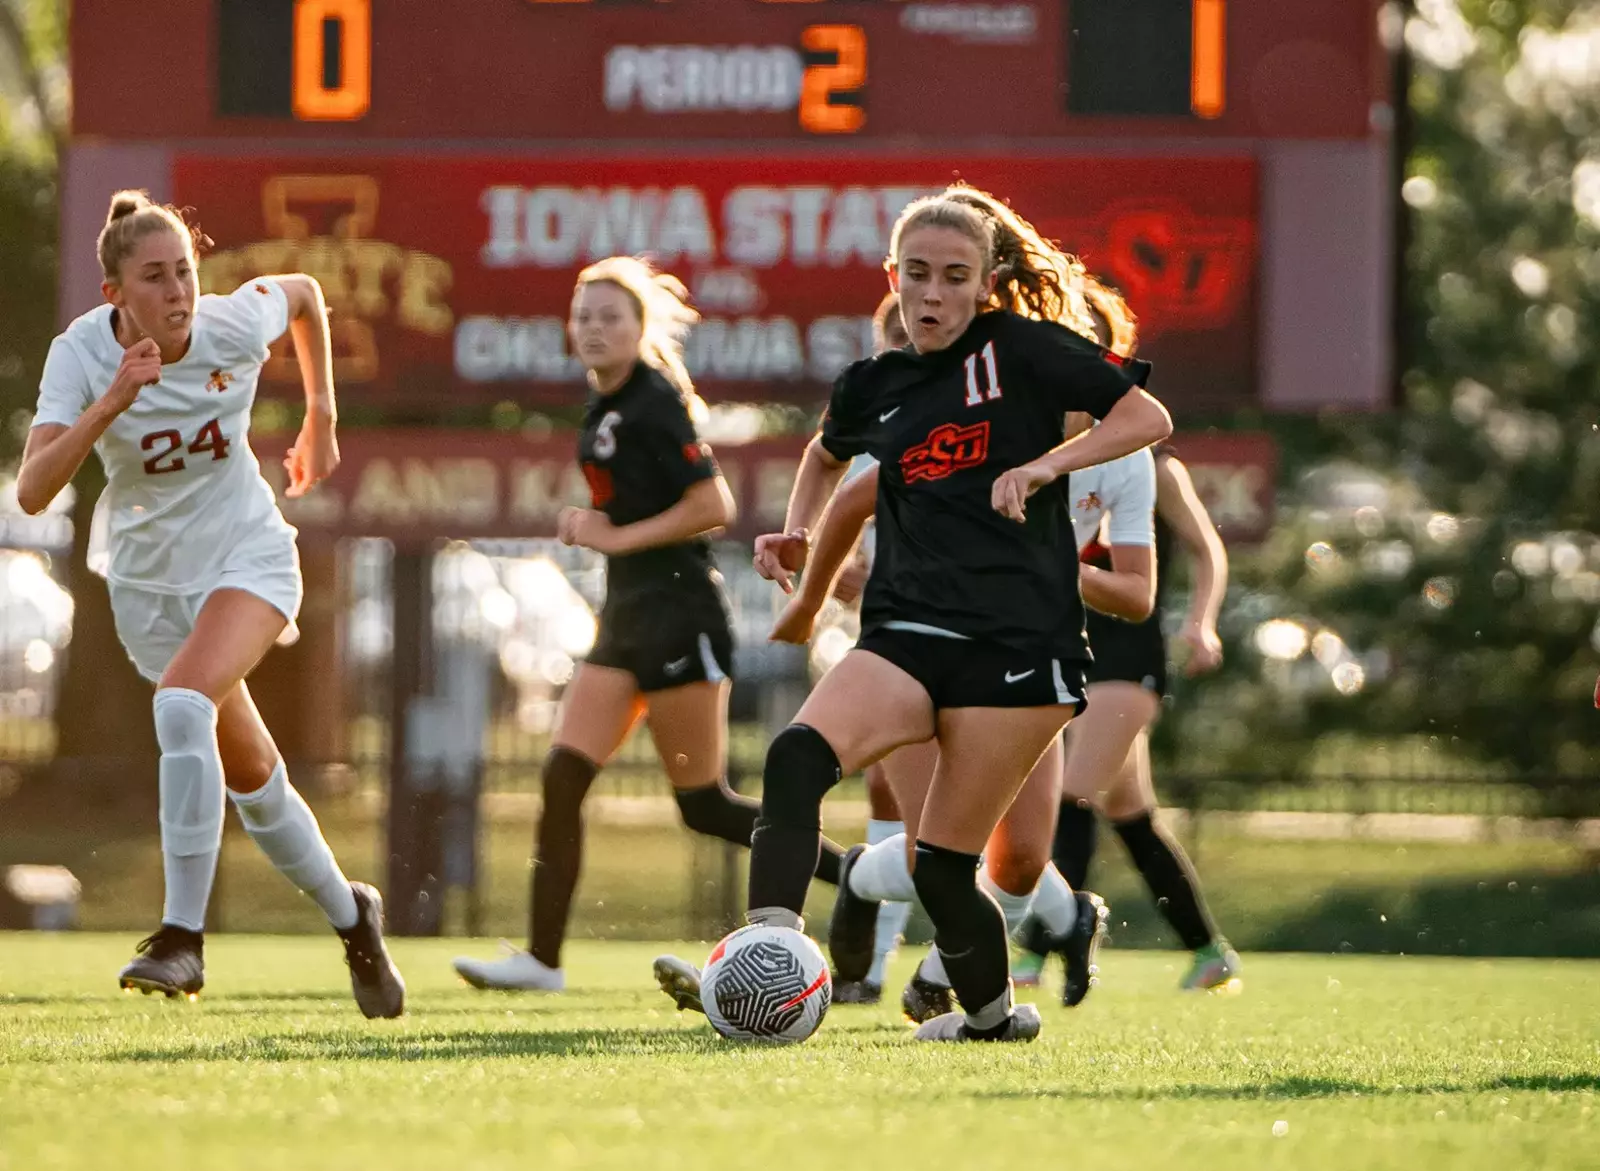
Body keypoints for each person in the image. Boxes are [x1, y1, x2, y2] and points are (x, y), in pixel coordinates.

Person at [654, 183, 1172, 1043]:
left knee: (943, 871)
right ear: (893, 275)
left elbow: (1146, 414)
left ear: (987, 284)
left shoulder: (1029, 351)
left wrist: (1046, 468)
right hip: (906, 636)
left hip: (1019, 649)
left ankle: (994, 1019)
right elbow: (826, 460)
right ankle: (767, 953)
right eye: (918, 274)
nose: (932, 294)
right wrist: (794, 530)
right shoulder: (875, 382)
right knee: (794, 757)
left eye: (955, 276)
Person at [17, 191, 404, 1015]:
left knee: (183, 701)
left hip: (247, 558)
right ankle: (353, 916)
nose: (178, 292)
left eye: (185, 271)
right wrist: (109, 404)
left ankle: (180, 937)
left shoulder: (230, 325)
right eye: (153, 277)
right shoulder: (81, 355)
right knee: (257, 780)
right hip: (148, 586)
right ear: (114, 294)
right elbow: (33, 489)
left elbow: (301, 292)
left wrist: (322, 413)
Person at [453, 257, 844, 993]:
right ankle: (542, 959)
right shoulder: (604, 404)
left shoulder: (655, 399)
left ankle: (853, 873)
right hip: (626, 616)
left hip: (679, 613)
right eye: (585, 316)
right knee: (563, 774)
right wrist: (609, 536)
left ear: (640, 329)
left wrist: (611, 536)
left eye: (611, 316)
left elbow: (713, 506)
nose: (594, 328)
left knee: (704, 805)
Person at [1022, 440, 1242, 992]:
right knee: (1133, 818)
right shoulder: (1047, 464)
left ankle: (1034, 952)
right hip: (1073, 655)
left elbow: (1207, 548)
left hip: (1127, 663)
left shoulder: (1157, 466)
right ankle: (1208, 951)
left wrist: (1202, 622)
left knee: (1072, 798)